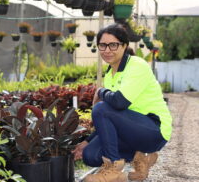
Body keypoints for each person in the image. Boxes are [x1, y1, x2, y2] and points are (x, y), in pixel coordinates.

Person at [72, 24, 172, 182]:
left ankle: (114, 170)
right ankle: (140, 159)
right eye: (102, 45)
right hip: (131, 128)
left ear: (124, 46)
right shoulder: (110, 74)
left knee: (101, 108)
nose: (107, 50)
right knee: (90, 155)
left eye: (113, 45)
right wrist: (86, 141)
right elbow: (110, 118)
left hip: (153, 129)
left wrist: (100, 92)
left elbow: (119, 103)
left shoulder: (136, 65)